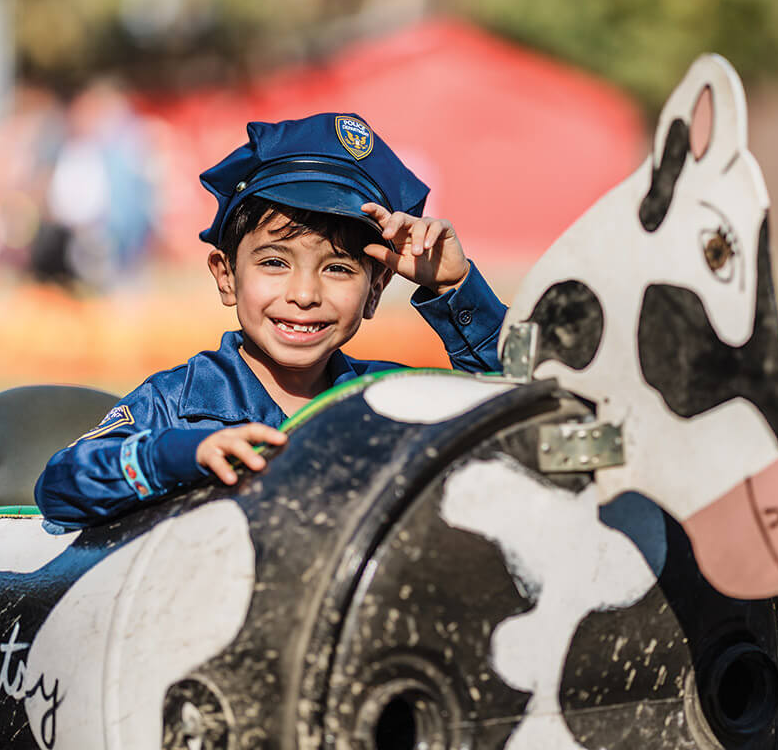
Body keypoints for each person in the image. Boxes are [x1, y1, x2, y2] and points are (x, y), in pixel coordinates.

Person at [35, 113, 506, 529]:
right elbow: (61, 484)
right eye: (274, 263)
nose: (304, 295)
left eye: (338, 269)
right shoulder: (177, 404)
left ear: (376, 289)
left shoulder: (393, 401)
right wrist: (179, 455)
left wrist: (455, 288)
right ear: (226, 277)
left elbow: (517, 424)